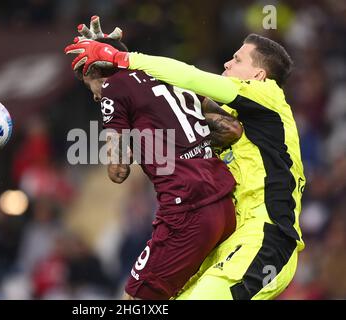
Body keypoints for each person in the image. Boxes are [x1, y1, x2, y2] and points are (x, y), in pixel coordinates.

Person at [65, 20, 305, 300]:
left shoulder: (267, 95)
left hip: (266, 240)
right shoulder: (243, 117)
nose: (227, 63)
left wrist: (120, 58)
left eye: (237, 59)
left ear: (259, 75)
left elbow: (190, 77)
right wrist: (111, 51)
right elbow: (165, 100)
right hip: (229, 237)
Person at [65, 34, 241, 299]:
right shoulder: (165, 72)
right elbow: (232, 130)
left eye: (89, 83)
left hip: (187, 212)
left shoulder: (114, 88)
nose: (93, 94)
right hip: (225, 206)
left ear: (98, 69)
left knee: (134, 299)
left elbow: (118, 171)